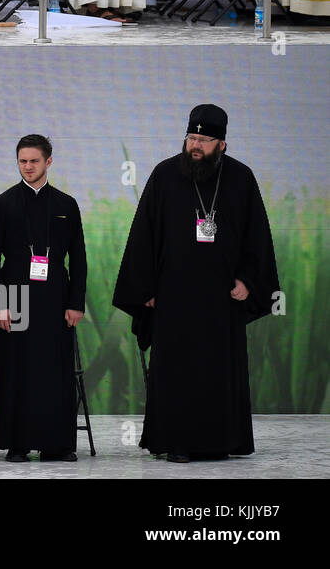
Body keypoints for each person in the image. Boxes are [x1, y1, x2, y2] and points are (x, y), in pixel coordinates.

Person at [113, 104, 280, 462]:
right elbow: (143, 236)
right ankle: (176, 442)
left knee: (219, 371)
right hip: (174, 298)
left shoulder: (241, 178)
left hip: (223, 299)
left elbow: (258, 239)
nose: (195, 146)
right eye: (192, 137)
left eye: (204, 140)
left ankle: (222, 441)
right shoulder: (164, 175)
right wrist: (145, 291)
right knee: (177, 371)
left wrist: (248, 281)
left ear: (222, 144)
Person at [0, 135, 87, 462]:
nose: (28, 167)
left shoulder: (66, 205)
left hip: (56, 297)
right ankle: (17, 443)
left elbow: (79, 258)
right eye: (22, 161)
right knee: (16, 369)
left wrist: (76, 303)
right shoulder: (2, 204)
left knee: (54, 370)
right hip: (14, 296)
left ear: (48, 162)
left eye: (34, 161)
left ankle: (57, 444)